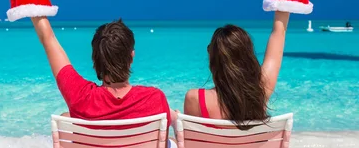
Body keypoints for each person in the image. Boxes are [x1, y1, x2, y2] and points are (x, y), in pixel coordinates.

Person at [31, 17, 174, 146]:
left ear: (95, 60)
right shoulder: (155, 99)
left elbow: (48, 39)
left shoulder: (79, 96)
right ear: (131, 57)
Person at [182, 11, 290, 130]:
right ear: (248, 57)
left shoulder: (195, 98)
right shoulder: (260, 91)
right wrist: (284, 1)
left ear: (213, 59)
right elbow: (279, 33)